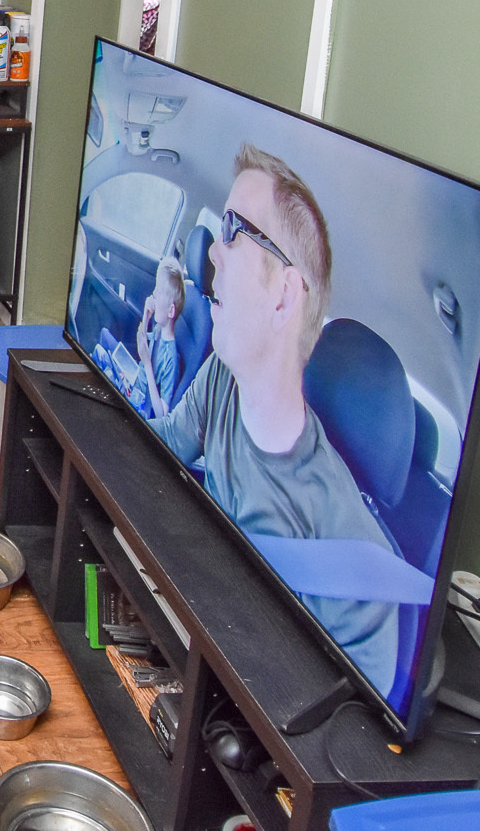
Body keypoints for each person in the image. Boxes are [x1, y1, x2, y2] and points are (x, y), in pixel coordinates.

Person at [147, 144, 401, 689]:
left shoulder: (355, 563)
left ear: (285, 296)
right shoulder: (221, 380)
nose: (211, 253)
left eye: (233, 230)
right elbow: (161, 442)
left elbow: (346, 733)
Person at [134, 255, 186, 417]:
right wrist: (146, 315)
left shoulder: (171, 358)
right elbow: (142, 344)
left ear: (170, 311)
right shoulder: (158, 329)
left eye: (159, 293)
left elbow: (162, 413)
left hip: (142, 404)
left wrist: (148, 365)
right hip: (136, 383)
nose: (154, 295)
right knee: (104, 341)